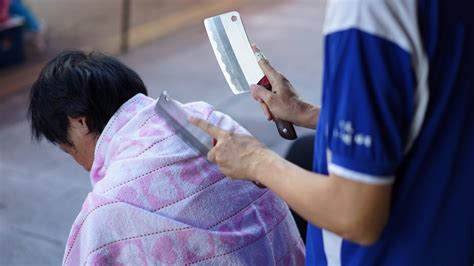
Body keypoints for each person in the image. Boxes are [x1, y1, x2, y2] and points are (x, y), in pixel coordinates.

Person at [190, 1, 474, 265]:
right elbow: (427, 109)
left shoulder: (366, 11)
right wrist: (308, 113)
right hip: (451, 229)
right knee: (304, 151)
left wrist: (256, 160)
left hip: (393, 251)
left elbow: (354, 214)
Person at [28, 51, 304, 265]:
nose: (80, 163)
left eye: (70, 149)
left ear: (80, 123)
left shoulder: (107, 209)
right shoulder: (209, 119)